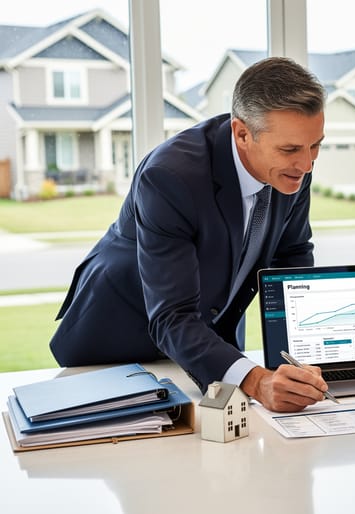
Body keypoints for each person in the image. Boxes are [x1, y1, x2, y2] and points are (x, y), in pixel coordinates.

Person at [49, 57, 330, 413]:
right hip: (120, 349)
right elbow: (172, 315)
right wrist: (257, 381)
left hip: (207, 345)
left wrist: (300, 360)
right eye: (290, 149)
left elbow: (291, 255)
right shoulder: (170, 176)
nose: (306, 165)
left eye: (315, 145)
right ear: (242, 134)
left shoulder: (292, 168)